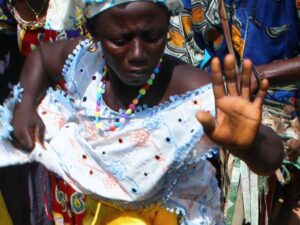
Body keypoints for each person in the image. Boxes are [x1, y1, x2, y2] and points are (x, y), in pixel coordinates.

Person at [0, 0, 284, 224]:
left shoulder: (190, 91)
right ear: (94, 34)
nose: (138, 53)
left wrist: (248, 146)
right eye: (120, 40)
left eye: (152, 36)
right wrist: (25, 106)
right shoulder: (84, 63)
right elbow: (42, 57)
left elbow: (270, 158)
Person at [165, 0, 300, 224]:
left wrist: (259, 74)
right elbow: (177, 54)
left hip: (283, 104)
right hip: (219, 96)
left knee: (244, 175)